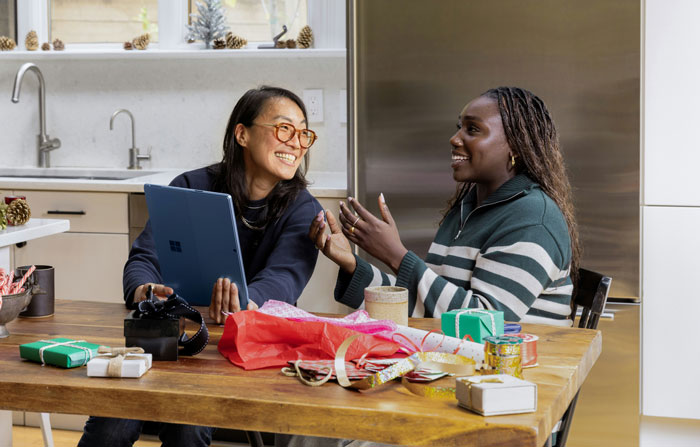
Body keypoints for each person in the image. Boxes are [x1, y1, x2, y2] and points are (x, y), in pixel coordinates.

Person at [78, 86, 322, 447]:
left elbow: (284, 281)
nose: (297, 143)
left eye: (303, 133)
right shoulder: (192, 186)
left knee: (189, 424)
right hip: (172, 339)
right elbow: (144, 259)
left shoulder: (303, 209)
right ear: (242, 134)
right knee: (115, 414)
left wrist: (244, 303)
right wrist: (146, 291)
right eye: (284, 128)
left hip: (246, 350)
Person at [309, 86, 580, 326]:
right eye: (459, 127)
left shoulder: (532, 218)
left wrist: (396, 255)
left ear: (516, 148)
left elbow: (487, 325)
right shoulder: (468, 208)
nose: (455, 138)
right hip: (466, 365)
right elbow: (432, 305)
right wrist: (352, 266)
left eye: (472, 129)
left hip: (518, 374)